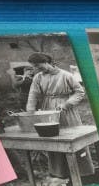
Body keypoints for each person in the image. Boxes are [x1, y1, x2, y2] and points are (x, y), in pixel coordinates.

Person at [26, 52, 88, 181]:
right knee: (54, 139)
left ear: (46, 61)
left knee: (71, 138)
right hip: (47, 110)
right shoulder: (38, 77)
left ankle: (82, 173)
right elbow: (33, 94)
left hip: (66, 110)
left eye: (38, 65)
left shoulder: (66, 75)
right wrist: (30, 111)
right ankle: (60, 174)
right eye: (34, 66)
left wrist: (67, 104)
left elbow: (79, 92)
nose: (37, 68)